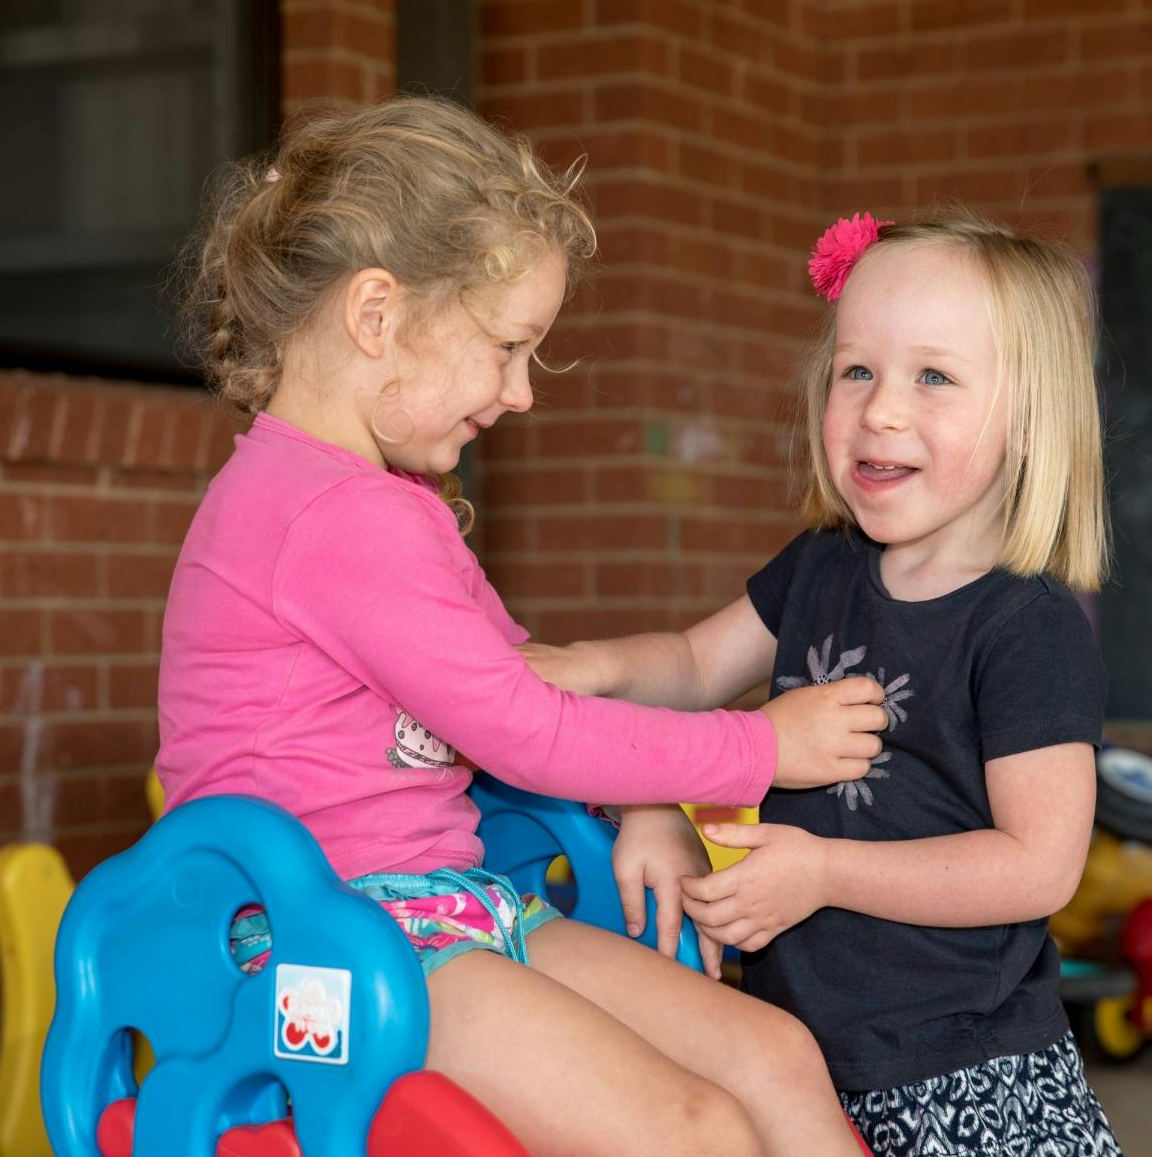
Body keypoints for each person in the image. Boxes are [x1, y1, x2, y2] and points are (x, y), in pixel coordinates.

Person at [156, 96, 887, 1156]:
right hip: (318, 946)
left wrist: (643, 800)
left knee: (769, 1056)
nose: (521, 392)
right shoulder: (328, 514)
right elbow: (521, 728)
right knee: (690, 1130)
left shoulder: (377, 503)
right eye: (507, 347)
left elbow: (529, 688)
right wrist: (761, 747)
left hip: (441, 911)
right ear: (377, 316)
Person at [523, 208, 1123, 1156]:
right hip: (797, 1050)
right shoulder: (821, 567)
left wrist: (823, 872)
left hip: (964, 1071)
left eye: (933, 376)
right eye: (858, 371)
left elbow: (1038, 864)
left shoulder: (1025, 629)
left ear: (1028, 417)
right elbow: (691, 667)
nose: (882, 407)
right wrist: (588, 669)